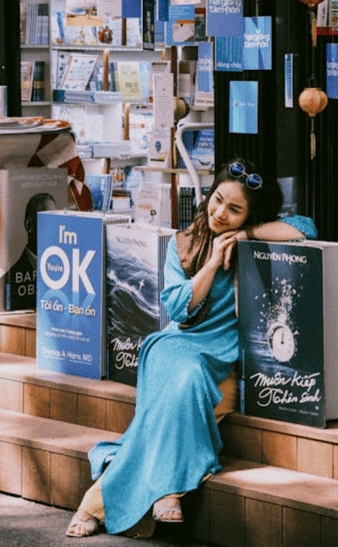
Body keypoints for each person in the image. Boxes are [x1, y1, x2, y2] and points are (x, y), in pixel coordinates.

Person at [66, 158, 317, 538]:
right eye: (217, 200)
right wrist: (214, 262)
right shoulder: (182, 244)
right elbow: (179, 308)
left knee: (166, 411)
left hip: (220, 356)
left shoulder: (251, 240)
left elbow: (305, 229)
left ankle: (96, 503)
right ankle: (167, 491)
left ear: (250, 216)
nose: (220, 213)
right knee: (184, 378)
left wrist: (247, 236)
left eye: (235, 210)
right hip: (175, 346)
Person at [7, 192, 58, 311]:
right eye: (47, 222)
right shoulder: (11, 279)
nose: (53, 230)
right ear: (29, 225)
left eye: (55, 222)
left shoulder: (63, 271)